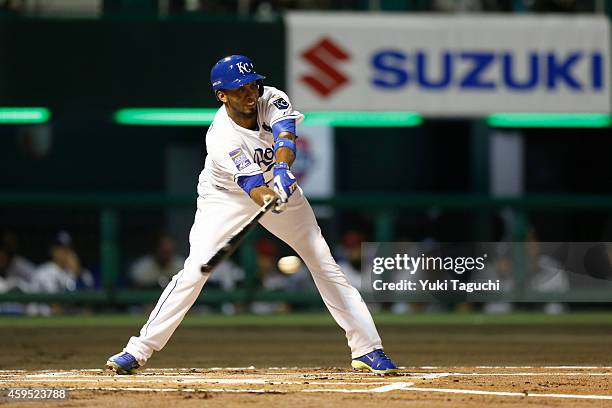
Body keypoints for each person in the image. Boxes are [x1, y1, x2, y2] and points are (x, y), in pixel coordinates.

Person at [106, 55, 397, 375]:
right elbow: (252, 184)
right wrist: (270, 198)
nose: (250, 93)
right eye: (239, 89)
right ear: (222, 95)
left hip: (280, 185)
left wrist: (285, 169)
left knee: (324, 263)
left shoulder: (272, 97)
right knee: (196, 270)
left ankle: (367, 348)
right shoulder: (221, 137)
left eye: (252, 84)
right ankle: (138, 350)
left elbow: (286, 135)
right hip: (226, 199)